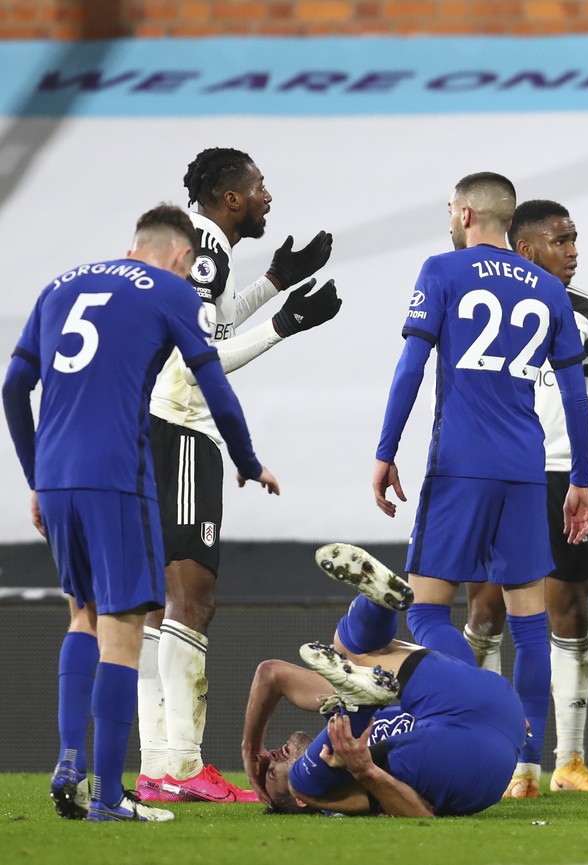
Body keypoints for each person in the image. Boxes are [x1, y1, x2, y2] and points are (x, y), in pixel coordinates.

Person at [3, 204, 277, 822]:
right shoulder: (171, 291)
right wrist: (247, 458)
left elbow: (13, 389)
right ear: (182, 256)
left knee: (83, 615)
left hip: (58, 476)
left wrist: (36, 478)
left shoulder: (60, 284)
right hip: (117, 476)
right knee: (125, 629)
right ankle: (106, 796)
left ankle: (69, 760)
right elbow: (212, 382)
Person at [370, 174, 588, 790]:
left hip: (460, 464)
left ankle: (464, 721)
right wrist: (582, 478)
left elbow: (411, 367)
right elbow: (575, 394)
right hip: (526, 470)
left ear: (467, 213)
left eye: (450, 208)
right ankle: (524, 761)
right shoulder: (550, 290)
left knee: (425, 611)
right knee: (530, 626)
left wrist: (386, 450)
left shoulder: (441, 270)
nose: (449, 217)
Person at [138, 147, 340, 804]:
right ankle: (184, 763)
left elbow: (213, 324)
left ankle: (159, 763)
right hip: (183, 425)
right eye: (259, 188)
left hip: (152, 425)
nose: (268, 198)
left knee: (154, 610)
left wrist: (276, 281)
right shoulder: (206, 250)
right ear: (231, 199)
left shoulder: (199, 249)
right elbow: (202, 356)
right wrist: (285, 324)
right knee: (191, 601)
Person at [462, 199, 588, 796]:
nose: (575, 251)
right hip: (504, 471)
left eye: (576, 239)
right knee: (487, 610)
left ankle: (569, 761)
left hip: (565, 474)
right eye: (562, 241)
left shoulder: (585, 311)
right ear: (526, 249)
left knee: (570, 611)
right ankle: (488, 753)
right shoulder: (488, 300)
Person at [246, 543, 523, 817]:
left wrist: (251, 748)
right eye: (270, 773)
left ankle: (379, 603)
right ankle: (374, 621)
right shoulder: (340, 796)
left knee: (348, 648)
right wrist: (364, 771)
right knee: (302, 783)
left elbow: (272, 673)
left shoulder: (344, 716)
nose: (271, 756)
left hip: (495, 707)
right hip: (466, 762)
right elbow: (422, 813)